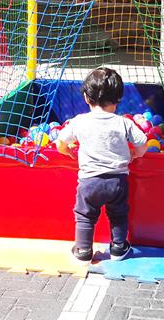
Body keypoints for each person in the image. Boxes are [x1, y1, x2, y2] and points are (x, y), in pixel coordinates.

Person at [56, 68, 148, 262]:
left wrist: (68, 151)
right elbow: (143, 142)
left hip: (90, 182)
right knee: (118, 214)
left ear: (86, 98)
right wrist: (134, 154)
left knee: (85, 215)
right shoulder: (123, 123)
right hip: (117, 181)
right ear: (118, 99)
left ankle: (82, 251)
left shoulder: (79, 121)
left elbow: (60, 143)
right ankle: (118, 248)